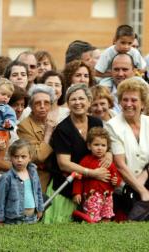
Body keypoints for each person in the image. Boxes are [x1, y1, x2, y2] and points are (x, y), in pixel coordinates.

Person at [43, 84, 111, 224]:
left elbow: (105, 143)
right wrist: (92, 173)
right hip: (66, 187)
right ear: (68, 103)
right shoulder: (63, 129)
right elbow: (64, 164)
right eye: (73, 99)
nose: (78, 102)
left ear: (89, 101)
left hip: (89, 187)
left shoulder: (96, 122)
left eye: (81, 98)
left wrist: (109, 154)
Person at [105, 78, 149, 220]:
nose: (129, 104)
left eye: (134, 100)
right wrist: (142, 191)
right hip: (123, 189)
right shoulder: (112, 126)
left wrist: (145, 174)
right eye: (125, 100)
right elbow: (120, 164)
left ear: (143, 103)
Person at [73, 127, 121, 223]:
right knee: (92, 217)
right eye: (96, 145)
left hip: (107, 197)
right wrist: (76, 193)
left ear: (107, 147)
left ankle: (104, 232)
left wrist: (116, 181)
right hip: (92, 196)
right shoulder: (85, 161)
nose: (99, 148)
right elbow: (78, 177)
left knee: (106, 215)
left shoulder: (108, 162)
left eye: (103, 145)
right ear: (89, 146)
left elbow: (116, 175)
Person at [17, 85, 56, 193]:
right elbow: (38, 156)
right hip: (38, 179)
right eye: (38, 103)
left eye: (46, 103)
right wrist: (48, 133)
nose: (42, 106)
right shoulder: (24, 126)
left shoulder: (57, 122)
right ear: (31, 106)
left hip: (57, 179)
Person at [0, 139, 44, 224]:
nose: (19, 160)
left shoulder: (33, 173)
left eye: (23, 156)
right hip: (14, 220)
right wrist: (0, 219)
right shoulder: (7, 177)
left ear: (30, 157)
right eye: (16, 156)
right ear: (10, 158)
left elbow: (38, 191)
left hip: (32, 218)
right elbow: (0, 199)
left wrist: (40, 209)